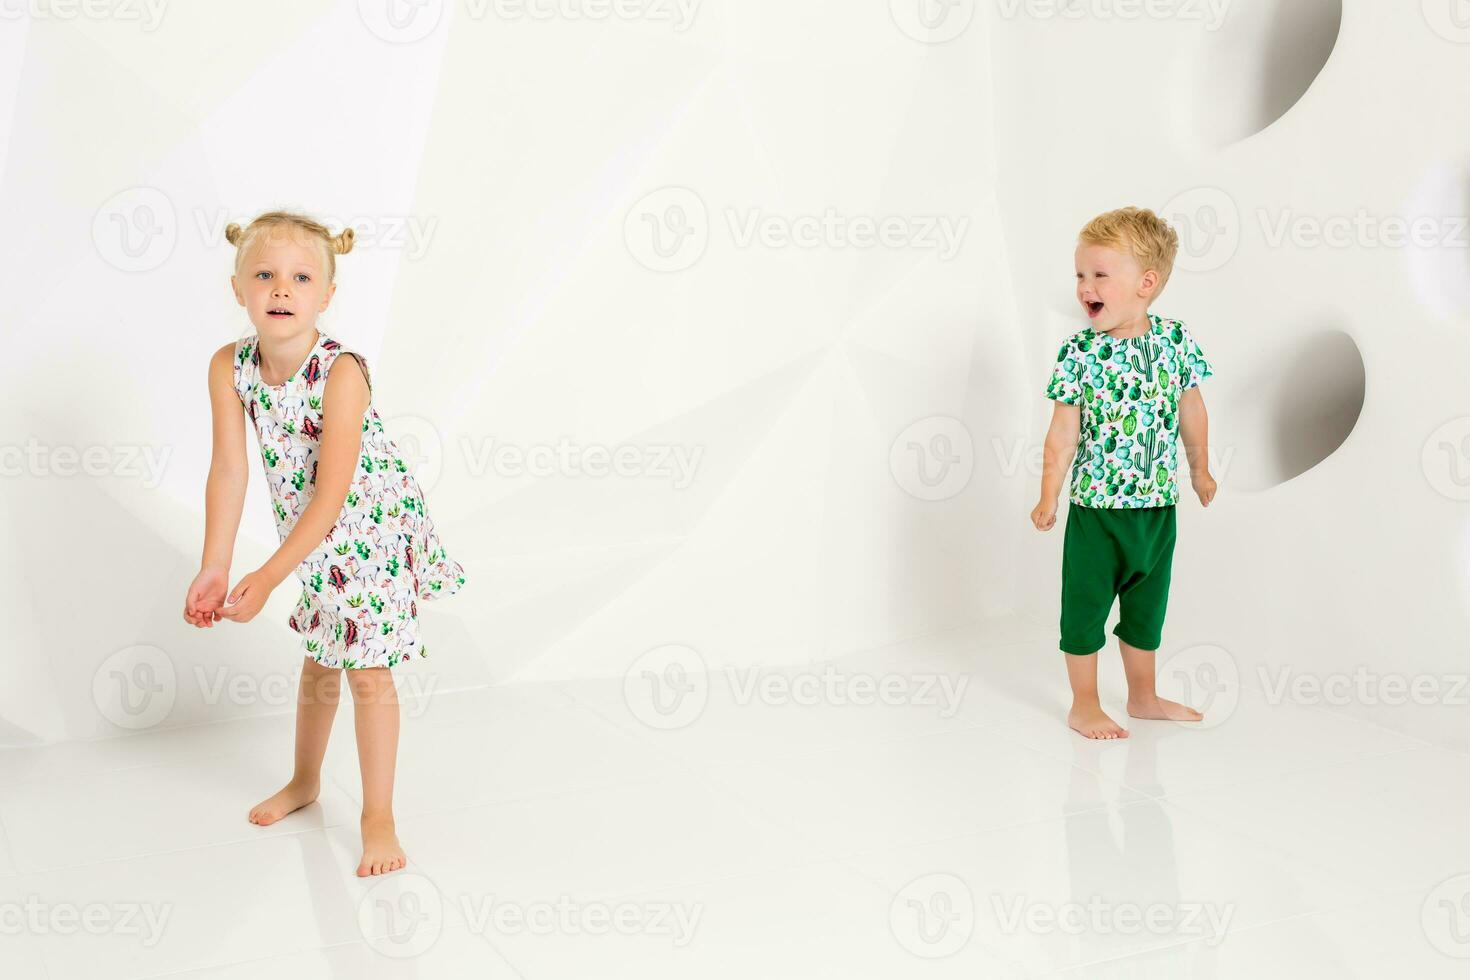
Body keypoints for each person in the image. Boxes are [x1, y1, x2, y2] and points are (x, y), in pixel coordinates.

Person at [182, 210, 467, 874]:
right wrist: (215, 565)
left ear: (327, 296)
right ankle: (306, 781)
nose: (282, 289)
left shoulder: (340, 373)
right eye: (265, 275)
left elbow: (333, 494)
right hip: (308, 539)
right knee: (320, 655)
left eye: (301, 277)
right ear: (238, 289)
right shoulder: (231, 366)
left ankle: (378, 816)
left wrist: (272, 574)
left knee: (367, 671)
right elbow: (228, 468)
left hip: (369, 528)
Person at [1031, 206, 1216, 740]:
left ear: (1146, 283)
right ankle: (1084, 703)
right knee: (1084, 611)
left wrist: (1201, 470)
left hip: (1157, 510)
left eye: (1099, 275)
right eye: (1080, 275)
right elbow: (1062, 433)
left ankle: (1143, 696)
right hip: (1097, 514)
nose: (1085, 286)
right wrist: (1050, 495)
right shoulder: (1079, 354)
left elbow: (1192, 411)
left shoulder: (1175, 341)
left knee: (1146, 610)